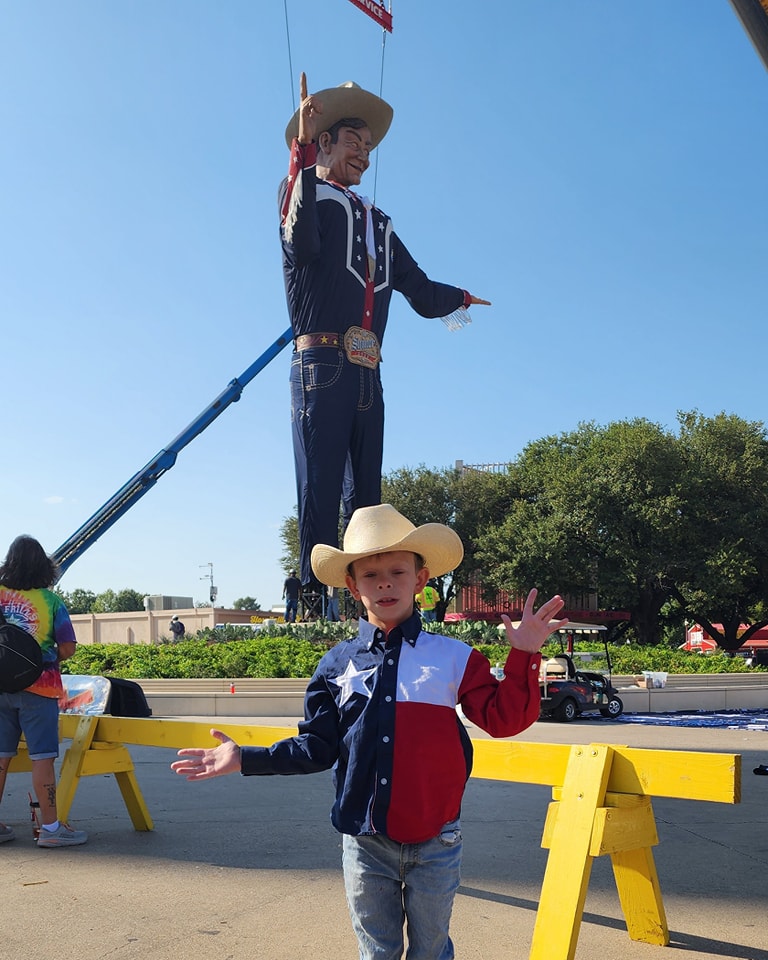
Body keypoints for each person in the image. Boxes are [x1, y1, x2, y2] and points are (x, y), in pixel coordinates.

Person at [172, 504, 567, 958]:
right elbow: (317, 748)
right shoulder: (335, 665)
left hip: (436, 837)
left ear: (420, 580)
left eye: (398, 571)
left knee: (431, 949)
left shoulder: (455, 657)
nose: (385, 583)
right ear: (352, 585)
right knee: (376, 951)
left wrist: (525, 656)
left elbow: (504, 720)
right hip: (364, 841)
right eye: (371, 574)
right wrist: (246, 757)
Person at [281, 73, 491, 588]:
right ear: (324, 140)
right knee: (320, 486)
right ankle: (313, 596)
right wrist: (303, 155)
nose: (364, 155)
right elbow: (300, 245)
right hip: (322, 364)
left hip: (367, 369)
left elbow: (417, 287)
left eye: (369, 146)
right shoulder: (304, 193)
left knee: (367, 497)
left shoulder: (381, 223)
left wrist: (459, 298)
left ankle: (366, 592)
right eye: (354, 141)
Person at [0, 536, 88, 847]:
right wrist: (45, 655)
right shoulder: (51, 602)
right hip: (40, 688)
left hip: (0, 688)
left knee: (0, 757)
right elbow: (67, 647)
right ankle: (50, 829)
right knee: (42, 758)